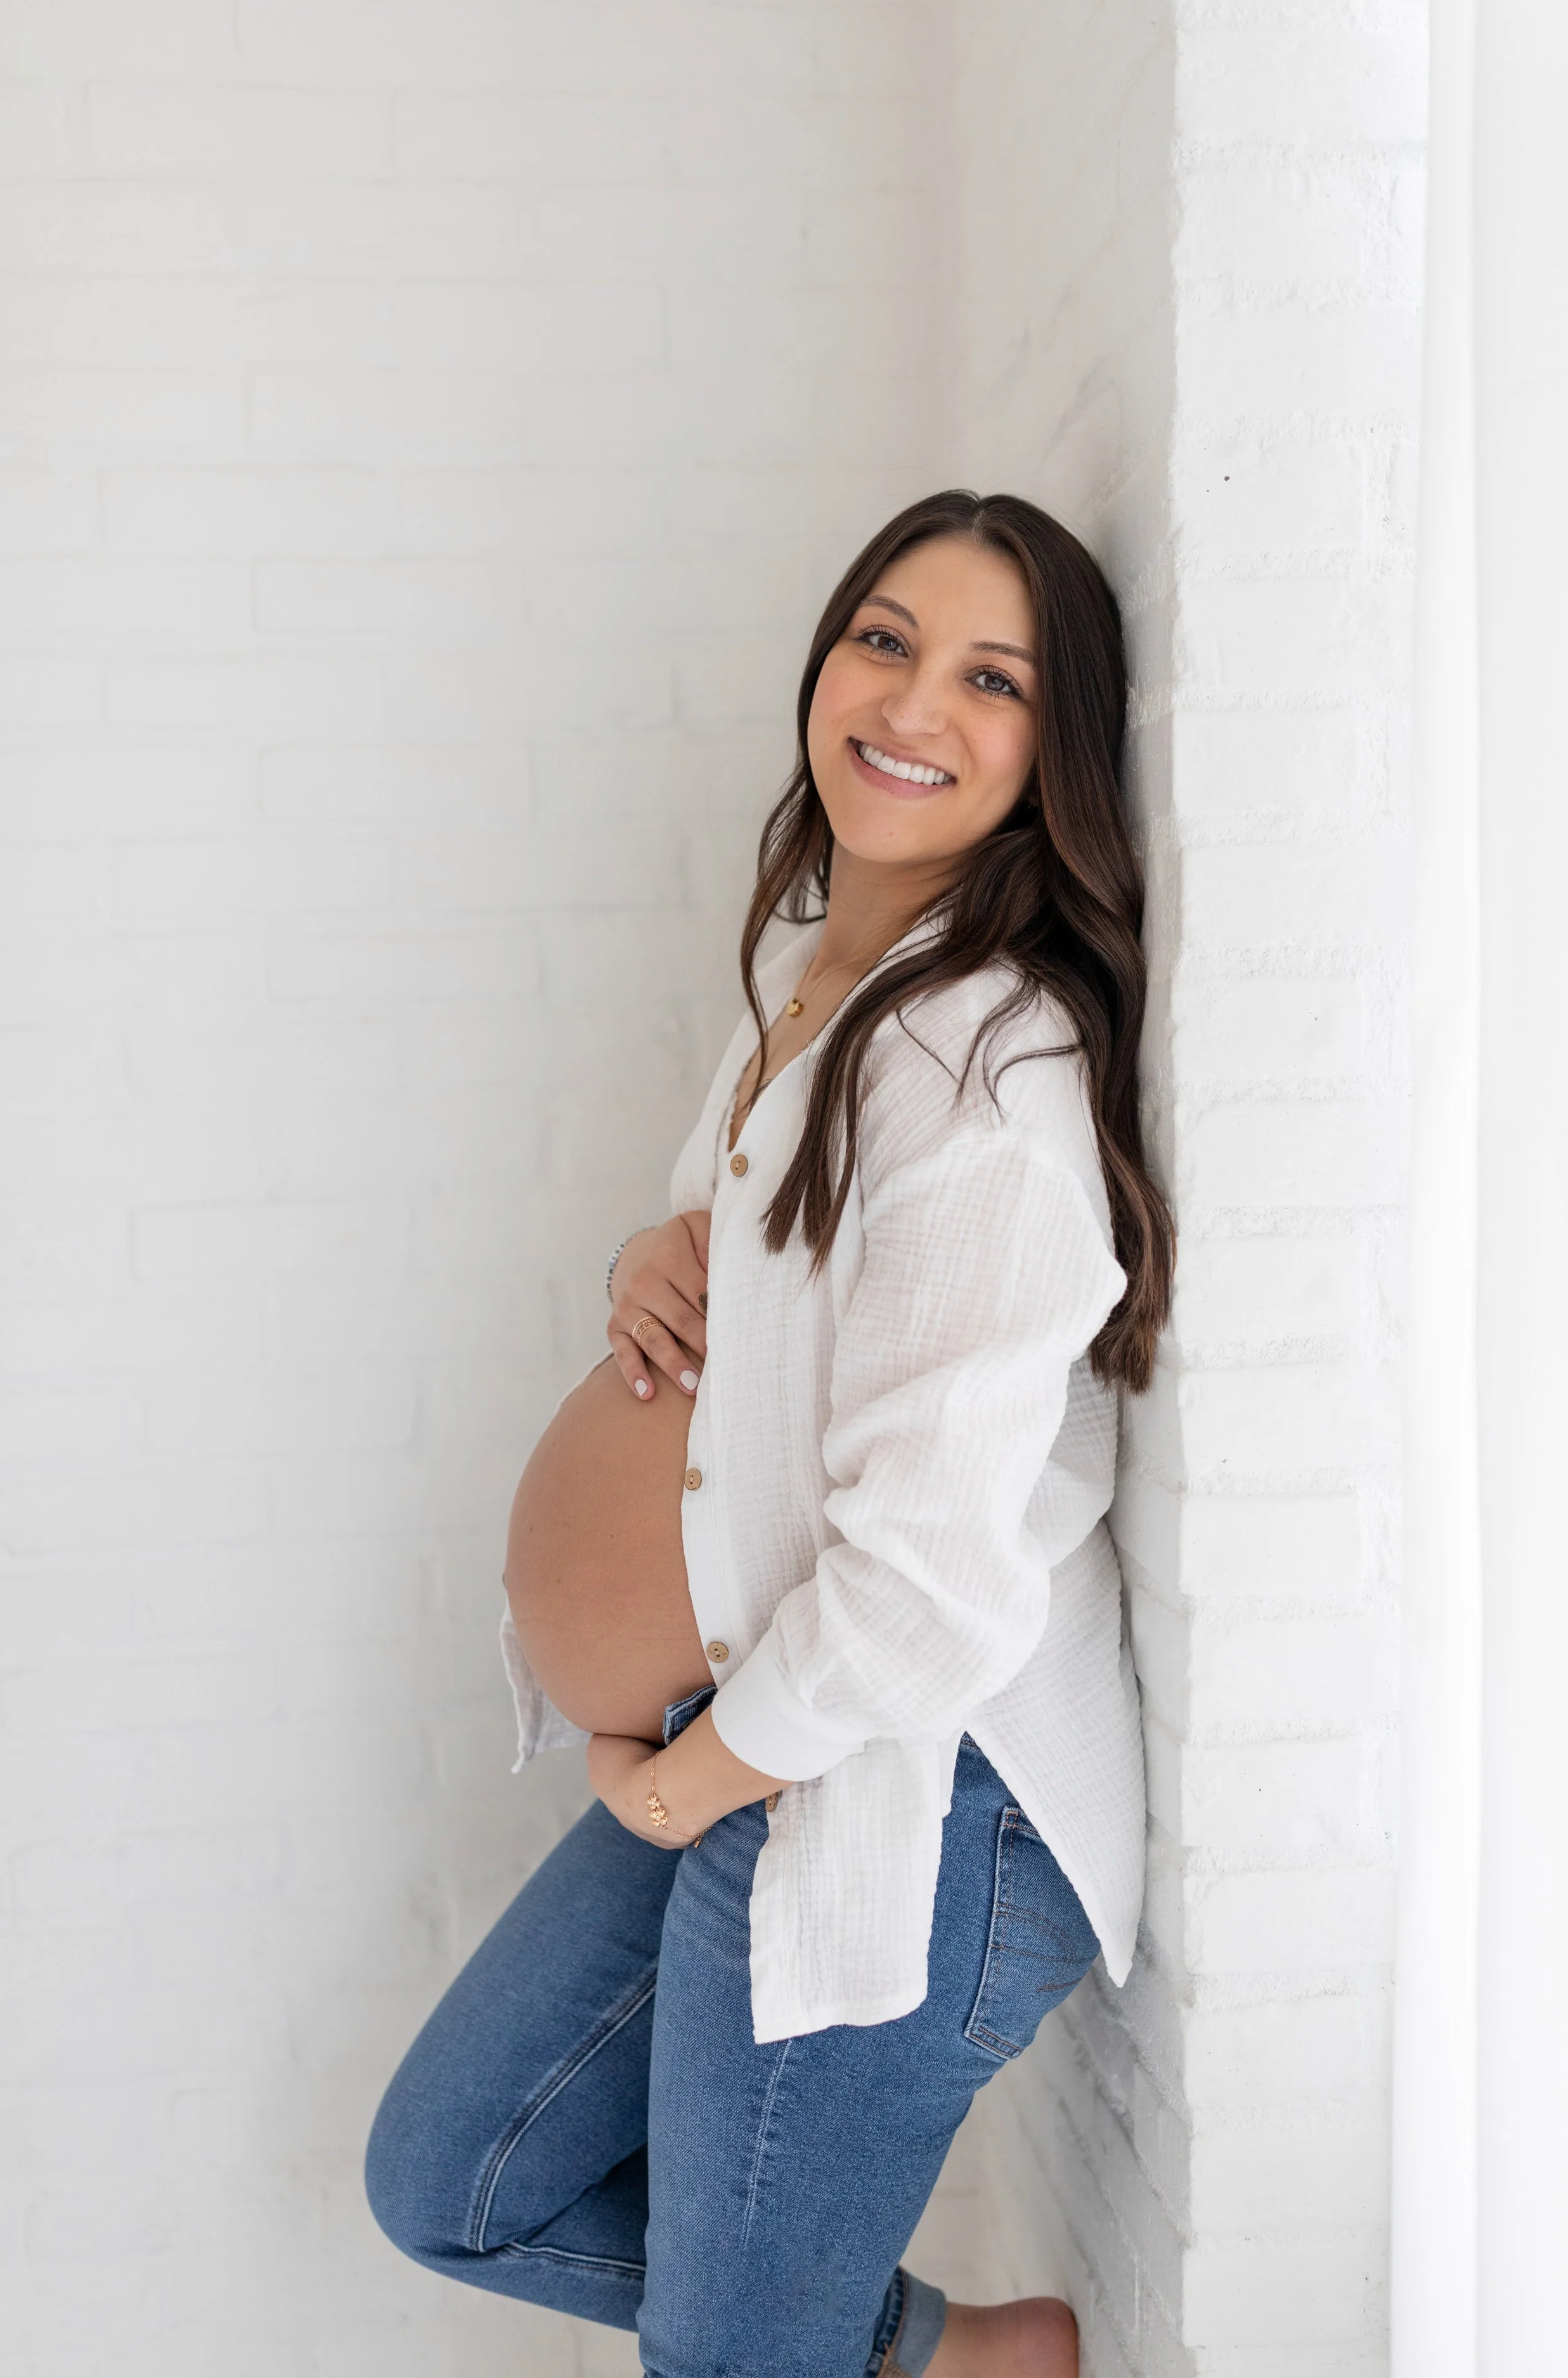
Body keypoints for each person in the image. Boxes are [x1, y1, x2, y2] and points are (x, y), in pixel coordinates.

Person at [365, 490, 1174, 2378]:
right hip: (771, 1725)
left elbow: (929, 1581)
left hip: (913, 1776)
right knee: (454, 2176)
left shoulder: (990, 1069)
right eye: (884, 637)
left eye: (994, 677)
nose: (911, 698)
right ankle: (967, 2358)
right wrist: (669, 1245)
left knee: (728, 2363)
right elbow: (773, 1348)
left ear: (1051, 755)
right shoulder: (822, 988)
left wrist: (679, 1780)